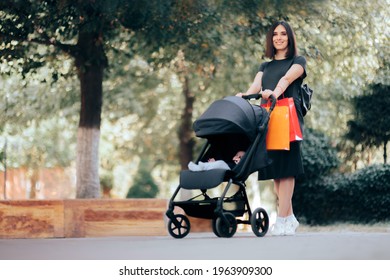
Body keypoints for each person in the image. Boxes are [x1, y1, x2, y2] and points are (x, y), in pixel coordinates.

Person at [237, 21, 306, 236]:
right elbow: (255, 86)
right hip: (267, 118)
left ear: (289, 37)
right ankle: (290, 218)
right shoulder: (265, 67)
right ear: (271, 39)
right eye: (275, 34)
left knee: (287, 170)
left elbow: (286, 80)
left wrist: (274, 92)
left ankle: (282, 218)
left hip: (287, 116)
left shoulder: (298, 61)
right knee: (276, 172)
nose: (279, 37)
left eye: (283, 34)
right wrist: (243, 97)